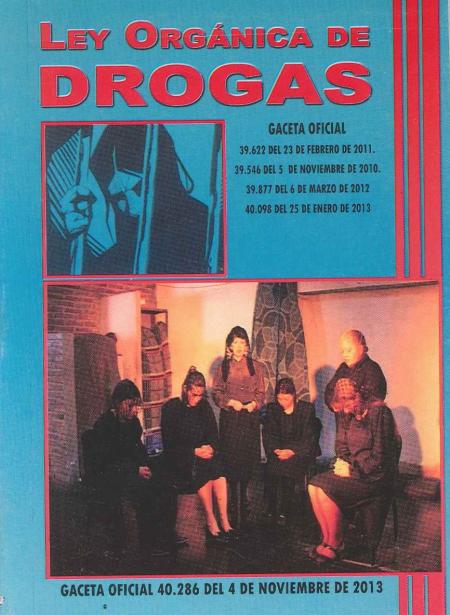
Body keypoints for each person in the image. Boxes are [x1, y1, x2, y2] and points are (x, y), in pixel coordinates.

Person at [308, 378, 399, 563]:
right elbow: (341, 446)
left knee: (325, 488)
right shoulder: (347, 413)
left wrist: (352, 469)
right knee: (314, 485)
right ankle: (327, 540)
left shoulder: (380, 413)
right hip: (354, 470)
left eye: (347, 405)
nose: (345, 411)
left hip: (374, 478)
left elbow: (380, 458)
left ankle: (335, 544)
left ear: (357, 397)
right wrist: (345, 463)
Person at [92, 379, 181, 558]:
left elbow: (138, 450)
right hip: (113, 475)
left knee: (168, 484)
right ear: (118, 403)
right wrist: (135, 470)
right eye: (130, 405)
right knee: (146, 492)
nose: (134, 410)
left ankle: (166, 534)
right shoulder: (104, 425)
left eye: (136, 406)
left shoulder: (133, 424)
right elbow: (107, 462)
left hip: (131, 470)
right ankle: (148, 544)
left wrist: (148, 466)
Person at [161, 367, 235, 544]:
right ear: (185, 389)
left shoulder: (204, 407)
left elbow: (213, 435)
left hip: (204, 455)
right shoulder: (172, 408)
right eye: (194, 394)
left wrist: (210, 448)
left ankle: (225, 521)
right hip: (183, 458)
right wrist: (194, 451)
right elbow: (170, 445)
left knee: (218, 469)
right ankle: (211, 522)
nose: (197, 399)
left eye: (200, 395)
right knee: (204, 469)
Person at [212, 326, 266, 528]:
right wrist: (230, 402)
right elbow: (216, 392)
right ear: (229, 346)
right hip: (231, 419)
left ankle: (243, 499)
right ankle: (233, 502)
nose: (239, 347)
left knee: (246, 461)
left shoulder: (256, 367)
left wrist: (254, 404)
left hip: (249, 419)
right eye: (235, 343)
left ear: (247, 346)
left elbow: (261, 393)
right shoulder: (223, 367)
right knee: (231, 460)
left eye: (242, 343)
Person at [263, 377, 319, 526]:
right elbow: (268, 434)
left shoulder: (306, 409)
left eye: (286, 399)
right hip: (279, 451)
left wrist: (292, 451)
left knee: (288, 470)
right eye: (279, 398)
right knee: (271, 469)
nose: (282, 402)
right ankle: (271, 508)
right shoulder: (272, 409)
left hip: (298, 452)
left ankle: (286, 510)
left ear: (294, 395)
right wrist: (275, 450)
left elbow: (309, 438)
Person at [324, 330, 387, 410]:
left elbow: (375, 397)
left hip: (366, 417)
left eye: (349, 350)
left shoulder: (372, 368)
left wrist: (354, 394)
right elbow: (329, 392)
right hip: (344, 417)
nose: (345, 354)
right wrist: (336, 397)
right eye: (342, 351)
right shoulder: (343, 368)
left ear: (362, 348)